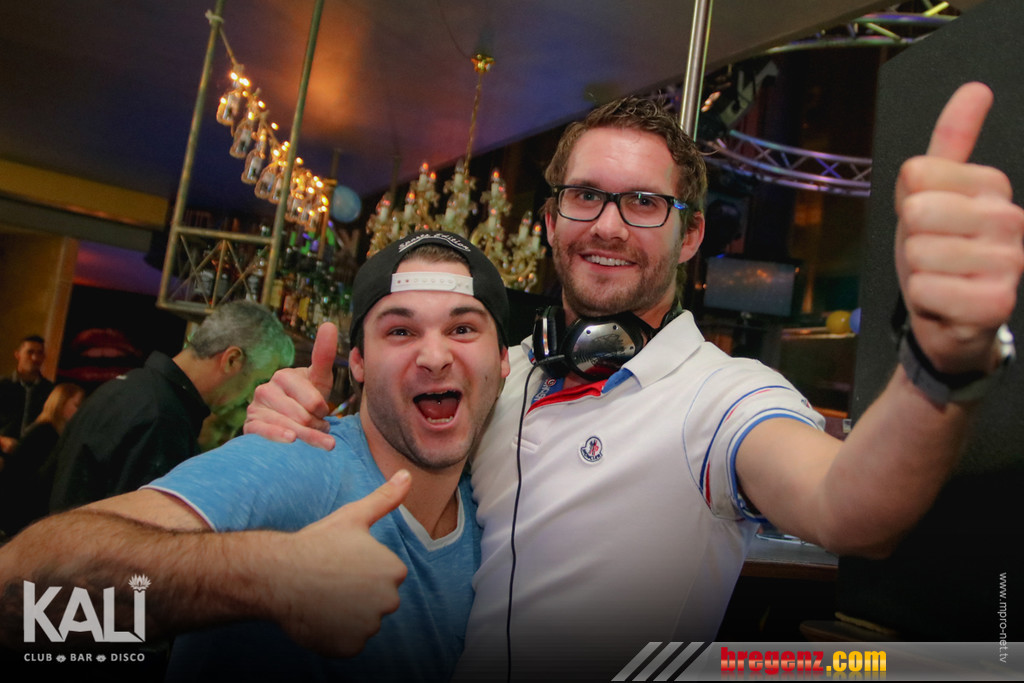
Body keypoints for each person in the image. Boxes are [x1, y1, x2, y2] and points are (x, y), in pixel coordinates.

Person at [245, 82, 1024, 679]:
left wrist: (939, 363)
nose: (609, 225)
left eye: (645, 203)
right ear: (550, 221)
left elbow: (848, 506)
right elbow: (384, 452)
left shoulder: (719, 398)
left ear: (690, 237)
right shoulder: (499, 371)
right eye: (586, 196)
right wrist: (299, 420)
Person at [0, 232, 511, 682]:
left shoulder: (495, 519)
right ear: (358, 362)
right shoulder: (298, 461)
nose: (435, 356)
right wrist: (273, 574)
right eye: (400, 331)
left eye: (463, 328)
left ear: (505, 358)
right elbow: (19, 590)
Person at [48, 300, 294, 512]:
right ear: (232, 360)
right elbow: (139, 535)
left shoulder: (129, 387)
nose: (251, 397)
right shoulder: (163, 417)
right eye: (258, 381)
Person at [0, 383, 83, 538]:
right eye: (77, 405)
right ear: (60, 404)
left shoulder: (47, 431)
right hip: (20, 515)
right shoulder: (45, 434)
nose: (80, 412)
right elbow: (32, 482)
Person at [0, 335, 54, 454]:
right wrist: (2, 440)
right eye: (30, 352)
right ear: (18, 355)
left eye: (40, 353)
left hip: (34, 457)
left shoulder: (50, 391)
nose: (35, 358)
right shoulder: (3, 385)